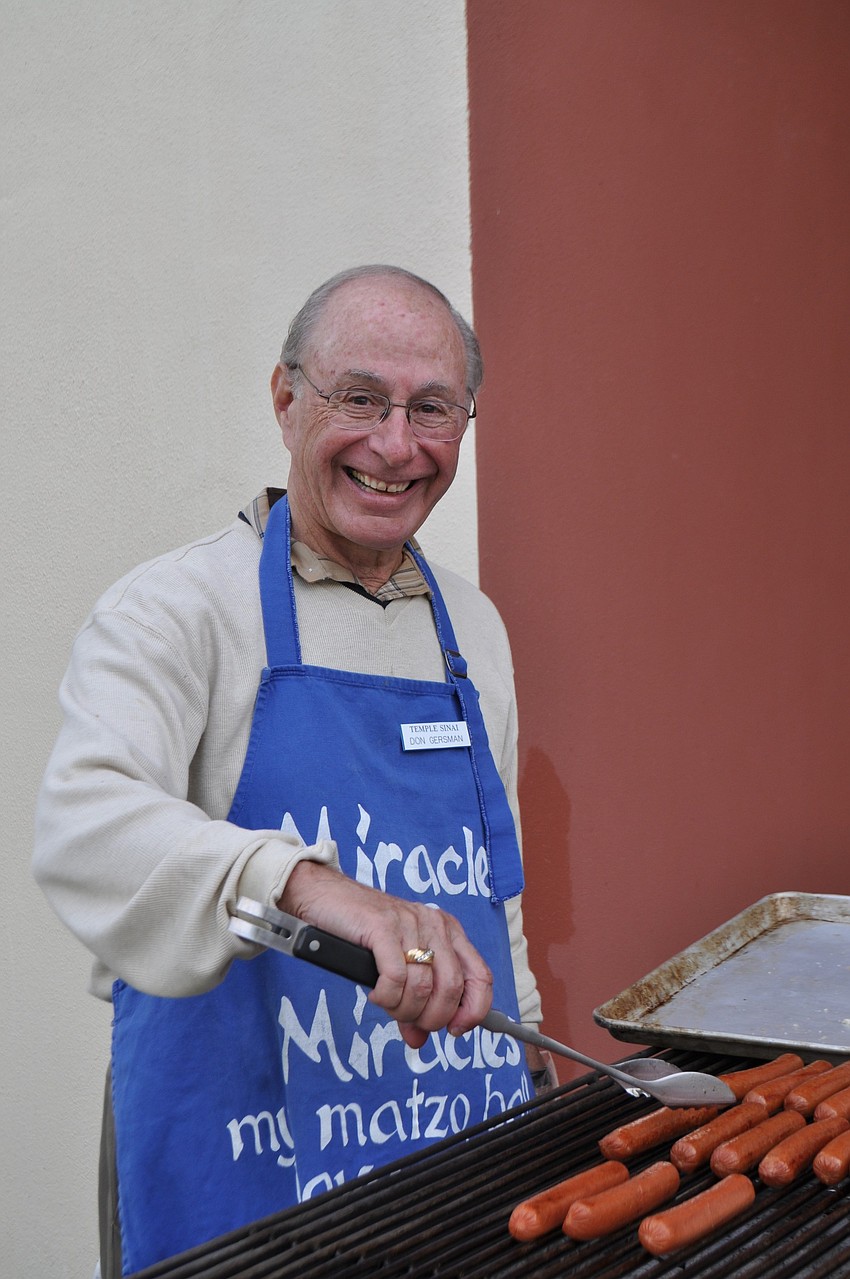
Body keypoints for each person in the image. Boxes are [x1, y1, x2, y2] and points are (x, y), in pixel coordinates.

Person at [34, 265, 553, 1277]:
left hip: (448, 1150)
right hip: (236, 1162)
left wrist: (527, 1056)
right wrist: (310, 885)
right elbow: (84, 824)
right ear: (285, 399)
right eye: (359, 398)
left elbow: (496, 887)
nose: (394, 445)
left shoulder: (473, 629)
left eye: (432, 409)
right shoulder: (173, 611)